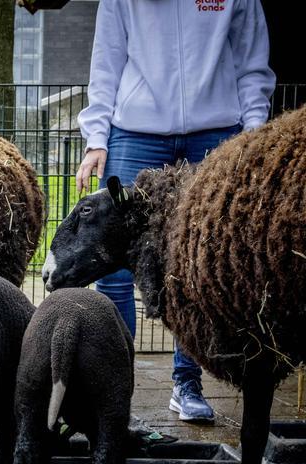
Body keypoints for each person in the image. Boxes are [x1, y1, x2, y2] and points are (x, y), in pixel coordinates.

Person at [76, 0, 275, 424]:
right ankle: (115, 387)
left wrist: (255, 136)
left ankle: (186, 383)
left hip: (216, 132)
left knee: (195, 266)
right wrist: (97, 138)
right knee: (113, 269)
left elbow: (251, 62)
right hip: (135, 135)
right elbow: (106, 63)